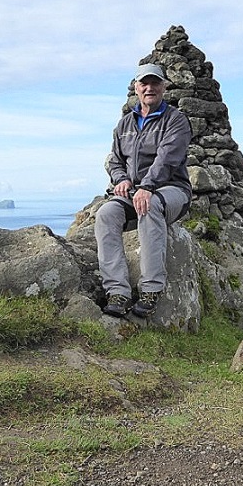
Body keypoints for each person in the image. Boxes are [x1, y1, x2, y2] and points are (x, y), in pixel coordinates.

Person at [94, 63, 192, 318]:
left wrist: (147, 187)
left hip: (172, 191)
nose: (150, 88)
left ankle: (151, 289)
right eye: (144, 83)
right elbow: (115, 159)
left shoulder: (176, 121)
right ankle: (118, 292)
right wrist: (121, 179)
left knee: (148, 206)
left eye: (155, 83)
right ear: (136, 88)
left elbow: (167, 159)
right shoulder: (124, 125)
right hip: (134, 191)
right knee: (106, 214)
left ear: (164, 87)